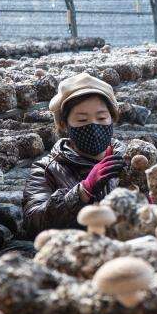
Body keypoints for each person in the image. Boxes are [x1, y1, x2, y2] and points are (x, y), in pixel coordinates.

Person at [23, 72, 126, 234]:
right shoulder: (46, 169)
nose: (93, 126)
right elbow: (33, 221)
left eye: (101, 118)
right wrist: (82, 191)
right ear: (64, 124)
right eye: (82, 120)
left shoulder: (127, 159)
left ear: (112, 118)